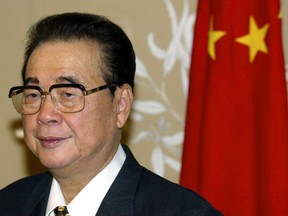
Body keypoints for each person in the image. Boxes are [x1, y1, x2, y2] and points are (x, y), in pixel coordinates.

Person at [0, 12, 222, 216]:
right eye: (33, 94)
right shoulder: (8, 204)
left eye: (68, 94)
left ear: (121, 105)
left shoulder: (183, 212)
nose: (45, 114)